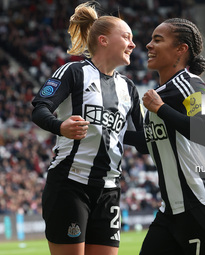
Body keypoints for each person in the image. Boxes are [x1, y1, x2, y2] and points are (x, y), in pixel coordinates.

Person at [31, 2, 143, 255]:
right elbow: (39, 109)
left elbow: (140, 139)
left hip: (109, 190)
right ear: (103, 40)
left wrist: (177, 126)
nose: (133, 44)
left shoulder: (129, 88)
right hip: (70, 184)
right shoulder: (73, 72)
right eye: (126, 37)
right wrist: (61, 126)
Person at [126, 18, 205, 255]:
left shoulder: (192, 86)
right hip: (171, 212)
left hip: (202, 207)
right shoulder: (159, 94)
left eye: (158, 40)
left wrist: (161, 109)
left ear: (180, 49)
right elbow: (149, 144)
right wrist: (113, 132)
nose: (148, 45)